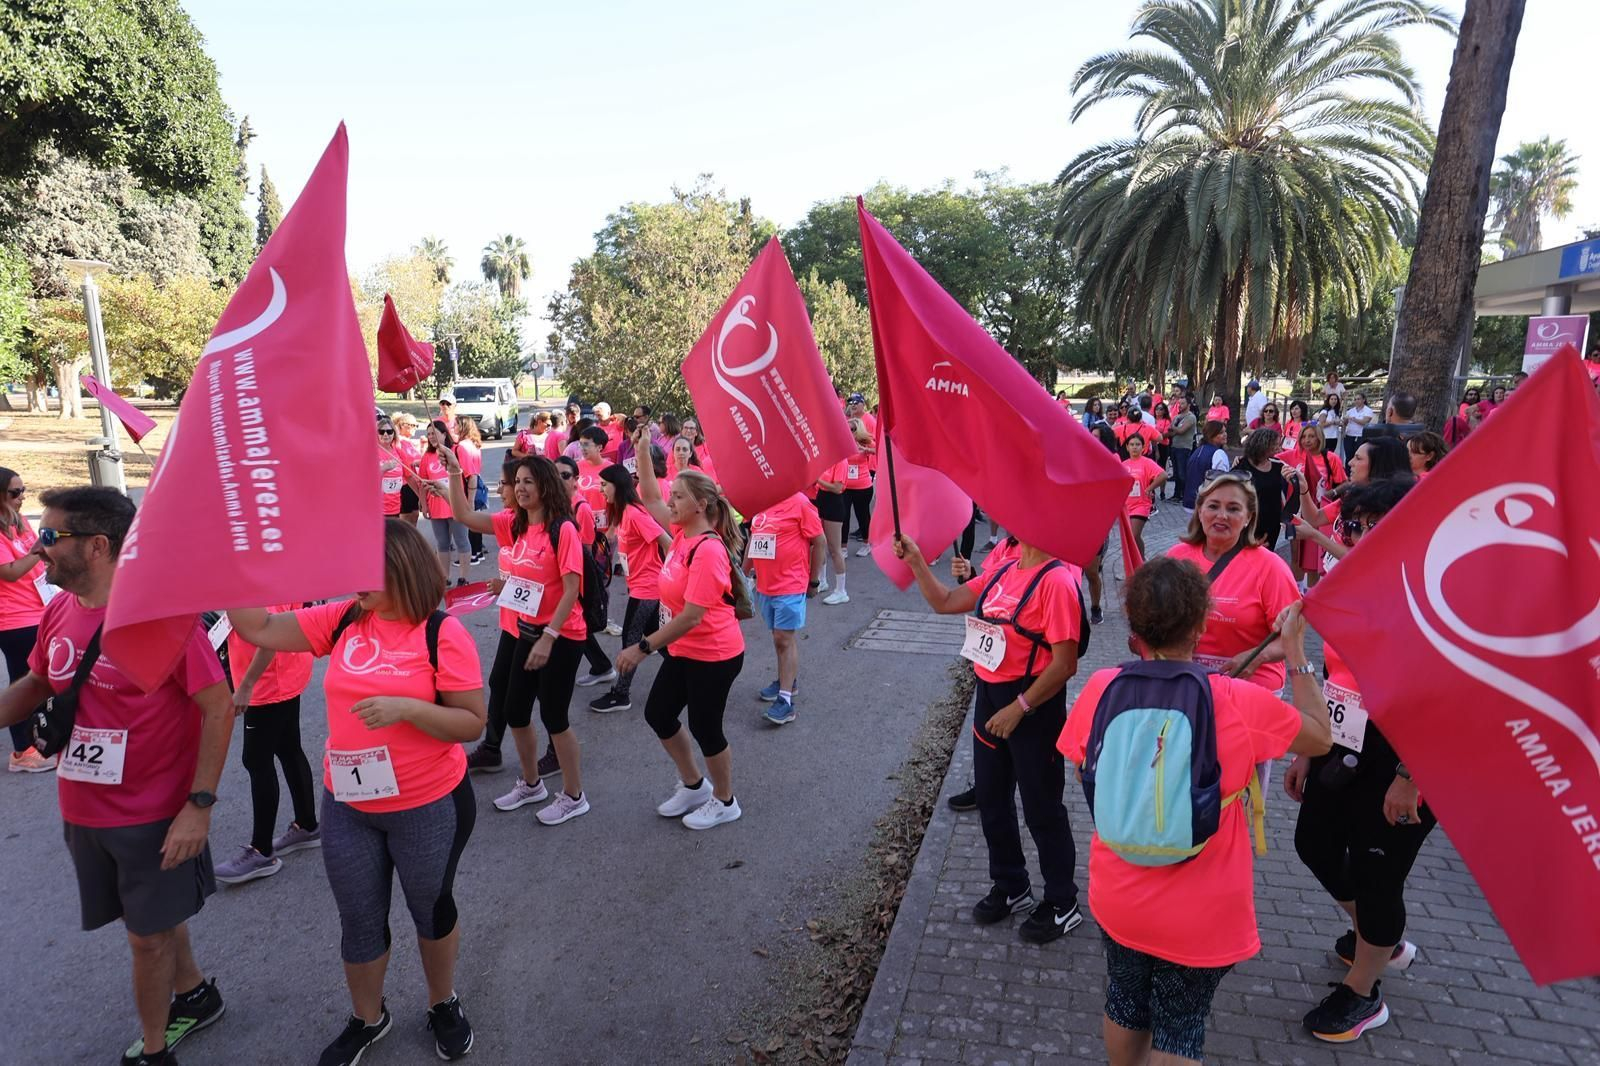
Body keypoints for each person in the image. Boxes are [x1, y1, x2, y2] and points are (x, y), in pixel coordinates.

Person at [227, 520, 484, 1064]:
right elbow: (257, 627)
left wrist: (407, 708)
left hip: (428, 804)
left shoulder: (442, 633)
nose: (353, 580)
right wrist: (235, 560)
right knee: (360, 919)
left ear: (403, 571)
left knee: (430, 909)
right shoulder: (345, 617)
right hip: (347, 804)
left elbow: (471, 724)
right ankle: (369, 1018)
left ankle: (443, 1001)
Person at [1060, 559, 1331, 1065]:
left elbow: (1084, 770)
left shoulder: (1100, 687)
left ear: (1133, 625)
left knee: (1124, 1001)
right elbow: (1320, 734)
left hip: (1118, 890)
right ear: (1203, 624)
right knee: (1179, 1025)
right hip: (1202, 908)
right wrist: (1295, 652)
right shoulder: (1237, 699)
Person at [0, 488, 233, 1066]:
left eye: (51, 537)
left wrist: (199, 804)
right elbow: (36, 685)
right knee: (143, 916)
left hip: (153, 814)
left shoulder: (161, 617)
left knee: (146, 939)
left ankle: (154, 1052)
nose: (39, 548)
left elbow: (218, 705)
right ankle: (195, 994)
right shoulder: (59, 609)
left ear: (98, 546)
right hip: (83, 809)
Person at [1287, 479, 1433, 1042]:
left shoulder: (1433, 592)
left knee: (1379, 873)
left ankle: (1364, 991)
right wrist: (1309, 748)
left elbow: (1451, 695)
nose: (1366, 535)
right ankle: (1378, 937)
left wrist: (1410, 777)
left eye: (1379, 524)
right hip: (1346, 742)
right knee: (1313, 843)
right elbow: (1333, 675)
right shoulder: (1353, 584)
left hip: (1407, 758)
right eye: (1358, 524)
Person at [895, 531, 1086, 944]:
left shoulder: (1056, 580)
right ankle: (1012, 884)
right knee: (993, 801)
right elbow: (945, 602)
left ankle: (1062, 901)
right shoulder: (1003, 569)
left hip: (1033, 707)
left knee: (1041, 807)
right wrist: (916, 562)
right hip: (989, 700)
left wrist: (1020, 707)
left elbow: (1065, 663)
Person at [443, 452, 591, 825]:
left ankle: (574, 796)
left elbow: (572, 589)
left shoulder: (563, 529)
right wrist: (455, 471)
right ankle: (531, 784)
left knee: (554, 716)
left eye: (529, 481)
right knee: (514, 711)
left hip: (561, 636)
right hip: (525, 630)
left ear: (545, 486)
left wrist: (550, 637)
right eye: (517, 481)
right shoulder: (515, 524)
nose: (520, 488)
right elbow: (463, 516)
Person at [615, 469, 749, 831]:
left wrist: (641, 648)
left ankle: (724, 800)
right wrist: (642, 448)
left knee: (706, 728)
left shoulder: (707, 550)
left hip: (714, 654)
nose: (669, 501)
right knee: (659, 713)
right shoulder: (681, 536)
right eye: (670, 494)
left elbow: (691, 616)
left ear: (701, 505)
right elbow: (651, 497)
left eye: (678, 496)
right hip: (683, 649)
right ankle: (694, 786)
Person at [213, 605, 319, 885]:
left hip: (267, 683)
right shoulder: (265, 572)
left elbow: (270, 636)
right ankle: (307, 824)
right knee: (288, 748)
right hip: (284, 675)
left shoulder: (255, 584)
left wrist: (246, 685)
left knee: (257, 760)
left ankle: (261, 851)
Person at [1165, 473, 1299, 689]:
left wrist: (1257, 657)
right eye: (1213, 506)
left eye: (1233, 508)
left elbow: (1294, 635)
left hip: (1249, 684)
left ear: (1248, 517)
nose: (1222, 515)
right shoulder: (1176, 558)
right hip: (1187, 682)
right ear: (1200, 511)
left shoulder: (1271, 568)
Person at [588, 460, 671, 714]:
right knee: (663, 640)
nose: (601, 489)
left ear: (618, 486)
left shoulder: (635, 513)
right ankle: (693, 671)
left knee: (631, 641)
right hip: (639, 587)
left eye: (604, 485)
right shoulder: (622, 512)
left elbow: (666, 541)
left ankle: (621, 694)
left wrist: (675, 576)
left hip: (648, 589)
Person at [743, 488, 824, 725]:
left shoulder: (800, 503)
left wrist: (814, 580)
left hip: (791, 582)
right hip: (766, 585)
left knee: (783, 638)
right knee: (778, 636)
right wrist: (743, 573)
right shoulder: (761, 500)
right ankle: (787, 680)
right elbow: (753, 539)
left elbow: (819, 541)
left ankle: (786, 702)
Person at [0, 466, 54, 772]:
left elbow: (40, 557)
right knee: (25, 682)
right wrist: (40, 548)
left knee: (47, 680)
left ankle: (46, 738)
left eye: (23, 491)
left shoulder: (18, 522)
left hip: (40, 610)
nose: (22, 497)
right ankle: (22, 752)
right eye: (14, 492)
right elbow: (10, 572)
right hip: (14, 620)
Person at [555, 454, 618, 692]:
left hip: (577, 577)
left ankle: (601, 667)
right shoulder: (559, 505)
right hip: (565, 575)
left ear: (575, 480)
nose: (559, 480)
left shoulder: (580, 507)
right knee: (575, 626)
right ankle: (601, 666)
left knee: (576, 625)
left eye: (565, 475)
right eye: (555, 475)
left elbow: (585, 550)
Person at [1280, 424, 1345, 591]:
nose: (1307, 440)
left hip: (1321, 512)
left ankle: (1312, 592)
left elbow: (1345, 484)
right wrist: (1241, 460)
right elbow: (1268, 459)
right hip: (1297, 511)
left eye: (1311, 436)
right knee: (1296, 553)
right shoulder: (1294, 455)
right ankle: (1296, 589)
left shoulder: (1331, 458)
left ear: (1319, 438)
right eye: (1303, 436)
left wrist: (1331, 493)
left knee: (1315, 556)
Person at [418, 420, 470, 586]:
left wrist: (469, 502)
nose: (431, 437)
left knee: (462, 541)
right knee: (442, 543)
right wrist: (424, 505)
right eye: (429, 435)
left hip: (457, 507)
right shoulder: (427, 457)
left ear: (444, 433)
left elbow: (469, 477)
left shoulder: (456, 451)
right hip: (436, 507)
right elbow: (422, 483)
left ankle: (464, 578)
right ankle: (444, 577)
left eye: (434, 433)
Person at [1234, 428, 1298, 551]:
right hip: (1247, 526)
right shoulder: (1242, 465)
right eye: (1274, 444)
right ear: (1263, 444)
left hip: (1271, 526)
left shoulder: (1278, 465)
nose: (1278, 448)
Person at [1121, 433, 1166, 560]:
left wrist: (1149, 488)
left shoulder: (1147, 463)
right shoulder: (1123, 464)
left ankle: (1140, 562)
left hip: (1141, 505)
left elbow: (1163, 475)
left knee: (1134, 534)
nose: (1134, 447)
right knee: (1130, 538)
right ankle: (1136, 562)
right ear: (1127, 447)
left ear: (1143, 447)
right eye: (1131, 444)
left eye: (1137, 444)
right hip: (1126, 506)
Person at [814, 453, 850, 605]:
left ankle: (841, 590)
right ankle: (822, 580)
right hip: (821, 499)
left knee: (835, 549)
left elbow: (837, 487)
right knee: (820, 542)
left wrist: (818, 480)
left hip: (834, 503)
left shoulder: (841, 460)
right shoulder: (825, 458)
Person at [840, 418, 876, 555]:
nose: (850, 432)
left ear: (858, 430)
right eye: (847, 429)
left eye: (853, 429)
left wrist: (865, 449)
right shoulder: (843, 442)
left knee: (863, 515)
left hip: (862, 486)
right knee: (844, 516)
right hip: (845, 485)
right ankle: (843, 547)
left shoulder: (864, 442)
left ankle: (867, 544)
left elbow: (878, 450)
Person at [1180, 420, 1231, 517]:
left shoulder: (1197, 451)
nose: (1225, 434)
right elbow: (1222, 481)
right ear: (1211, 435)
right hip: (1206, 503)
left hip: (1190, 501)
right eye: (1221, 433)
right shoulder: (1218, 453)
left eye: (1225, 431)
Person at [455, 417, 487, 564]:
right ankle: (478, 551)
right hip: (477, 483)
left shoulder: (462, 446)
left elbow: (470, 474)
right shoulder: (474, 444)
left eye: (456, 425)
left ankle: (473, 553)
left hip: (469, 485)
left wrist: (470, 499)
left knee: (469, 519)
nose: (454, 427)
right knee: (476, 519)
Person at [389, 412, 423, 527]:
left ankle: (412, 541)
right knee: (405, 518)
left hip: (415, 482)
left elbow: (419, 459)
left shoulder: (410, 442)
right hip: (406, 484)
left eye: (416, 425)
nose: (415, 428)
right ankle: (405, 542)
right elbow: (406, 468)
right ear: (402, 425)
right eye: (412, 425)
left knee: (415, 515)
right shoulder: (399, 442)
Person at [1166, 397, 1197, 504]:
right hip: (1174, 446)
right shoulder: (1177, 417)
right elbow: (1171, 432)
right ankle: (1176, 494)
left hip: (1184, 448)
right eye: (1179, 403)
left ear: (1188, 404)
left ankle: (1185, 494)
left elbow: (1181, 430)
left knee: (1182, 473)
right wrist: (1174, 429)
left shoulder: (1191, 417)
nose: (1180, 405)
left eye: (1182, 403)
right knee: (1176, 473)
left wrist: (1173, 428)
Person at [1342, 391, 1376, 464]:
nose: (1356, 401)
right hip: (1349, 435)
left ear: (1363, 400)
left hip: (1360, 436)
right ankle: (1347, 473)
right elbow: (1345, 423)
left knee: (1358, 455)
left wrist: (1353, 419)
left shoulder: (1368, 410)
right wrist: (1345, 420)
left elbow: (1364, 422)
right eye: (1355, 399)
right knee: (1349, 456)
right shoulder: (1350, 411)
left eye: (1358, 399)